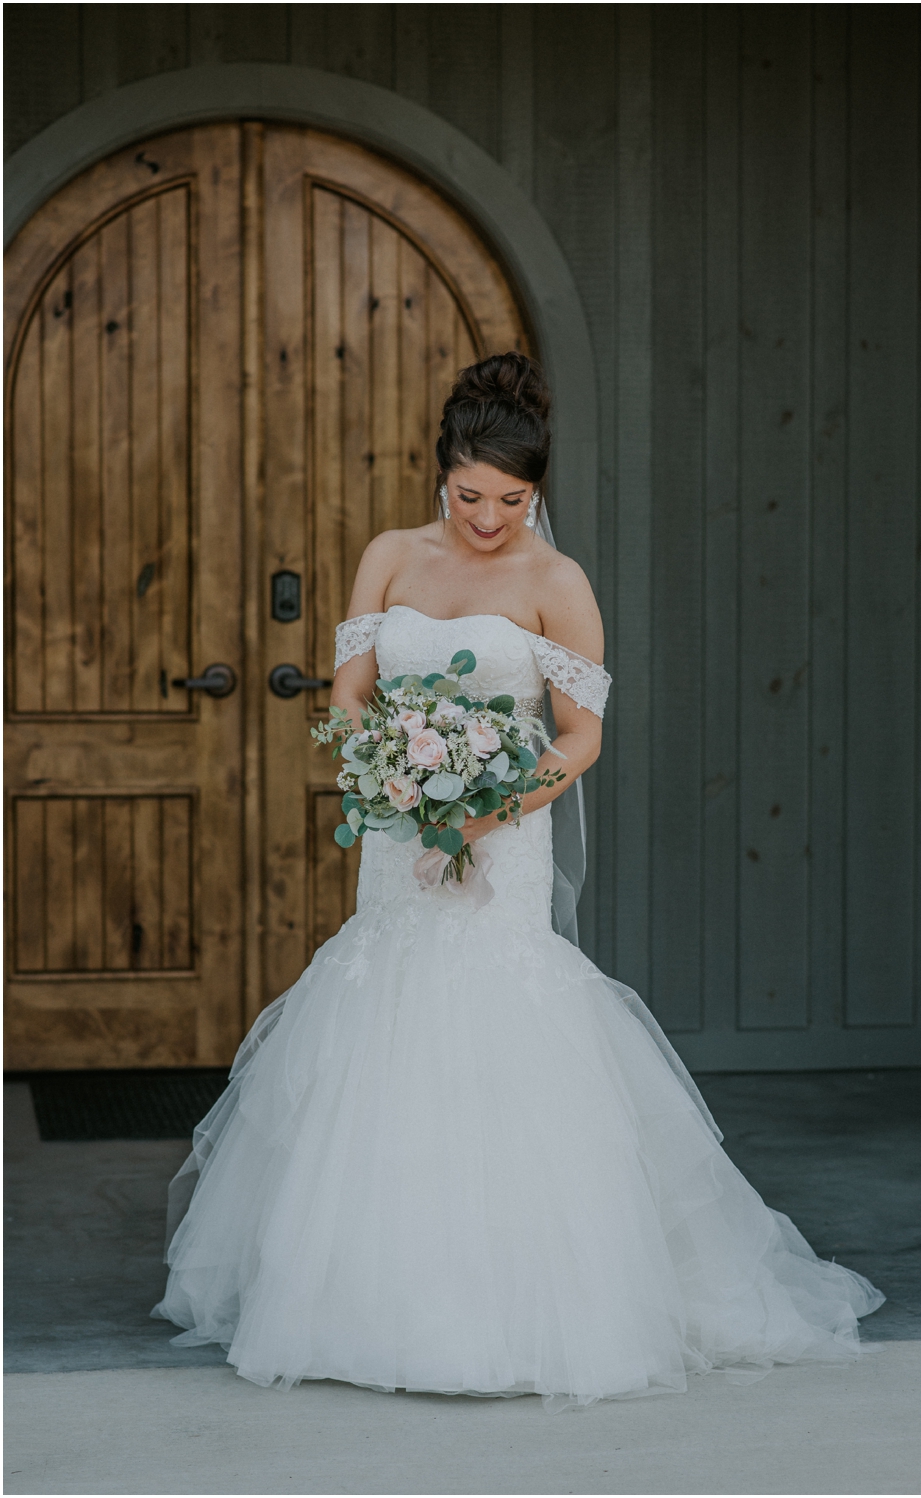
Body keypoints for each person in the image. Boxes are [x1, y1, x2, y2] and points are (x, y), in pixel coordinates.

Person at [154, 353, 882, 1407]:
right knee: (385, 1018)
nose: (487, 518)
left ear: (533, 489)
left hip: (504, 832)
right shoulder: (389, 557)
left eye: (510, 499)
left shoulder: (557, 584)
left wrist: (486, 807)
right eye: (468, 495)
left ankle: (521, 1304)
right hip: (402, 833)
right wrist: (397, 772)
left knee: (497, 1023)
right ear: (440, 473)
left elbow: (580, 736)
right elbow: (350, 694)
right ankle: (365, 1298)